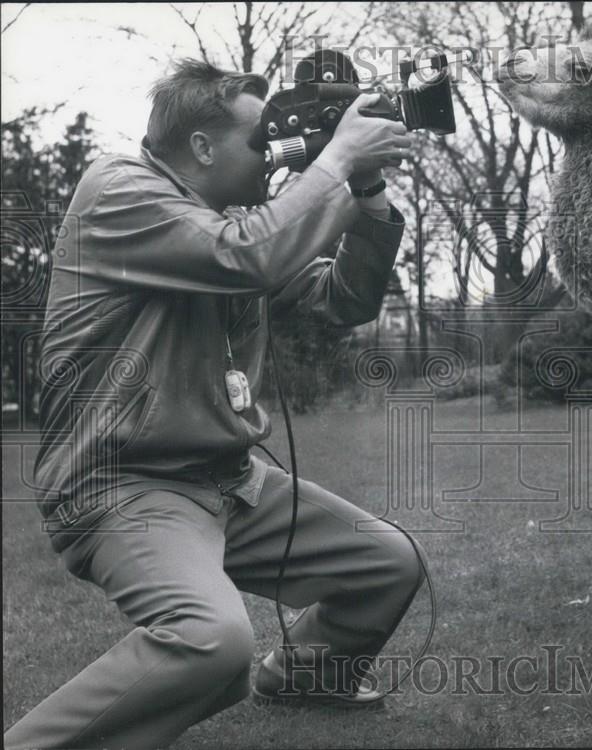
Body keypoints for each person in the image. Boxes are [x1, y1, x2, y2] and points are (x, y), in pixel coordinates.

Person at [5, 59, 421, 749]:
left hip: (227, 481)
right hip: (124, 485)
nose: (274, 155)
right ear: (201, 146)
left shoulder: (224, 226)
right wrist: (338, 155)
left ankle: (305, 677)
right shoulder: (118, 191)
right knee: (211, 641)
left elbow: (345, 299)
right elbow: (246, 257)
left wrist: (366, 189)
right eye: (261, 139)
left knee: (387, 563)